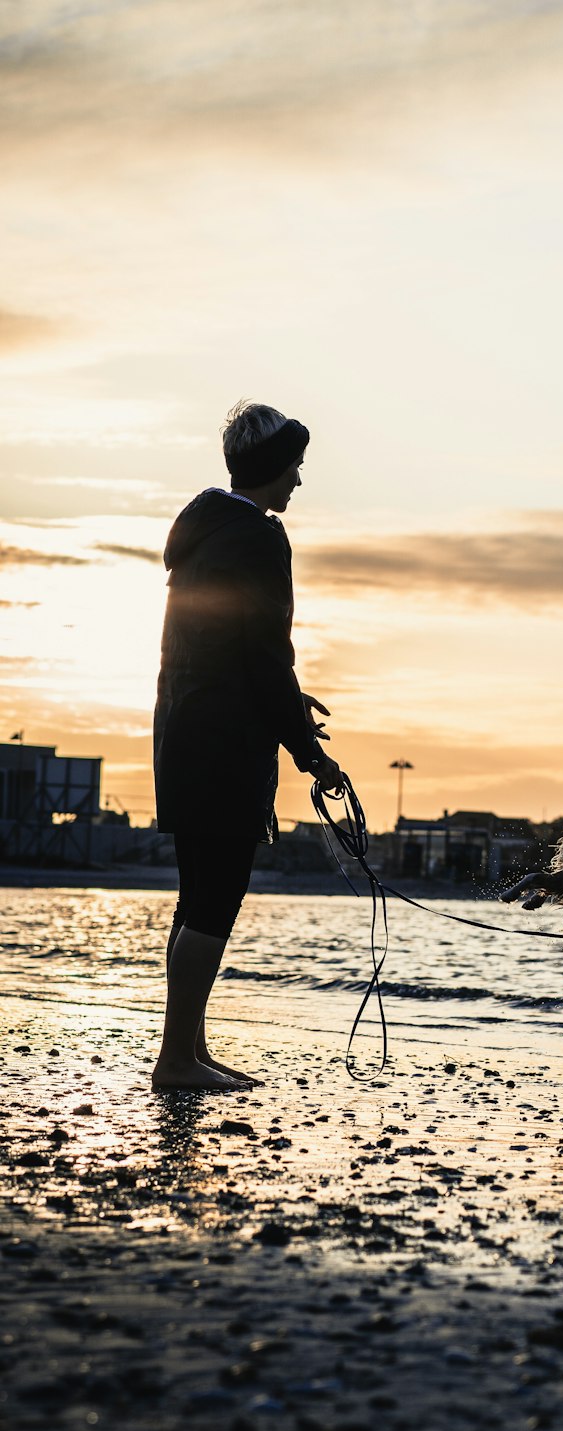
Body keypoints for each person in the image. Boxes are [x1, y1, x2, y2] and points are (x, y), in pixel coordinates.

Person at [151, 401, 342, 1090]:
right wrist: (310, 754)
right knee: (215, 898)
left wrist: (292, 709)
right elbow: (265, 655)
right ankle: (177, 1060)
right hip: (225, 747)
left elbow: (224, 649)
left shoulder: (203, 534)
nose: (297, 479)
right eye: (293, 465)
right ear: (269, 468)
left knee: (195, 895)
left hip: (184, 733)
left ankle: (187, 1052)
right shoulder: (259, 539)